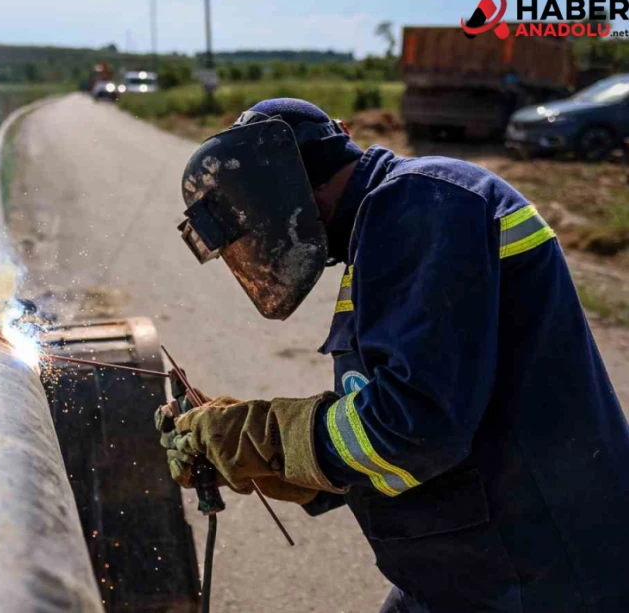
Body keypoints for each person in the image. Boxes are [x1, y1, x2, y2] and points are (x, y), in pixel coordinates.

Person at [158, 98, 629, 612]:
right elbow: (391, 426)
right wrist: (275, 463)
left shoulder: (421, 201)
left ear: (278, 188)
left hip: (541, 578)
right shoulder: (386, 230)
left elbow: (415, 426)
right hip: (469, 567)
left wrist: (270, 437)